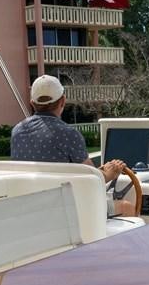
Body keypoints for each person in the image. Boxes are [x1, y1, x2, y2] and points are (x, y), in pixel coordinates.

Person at [11, 75, 135, 214]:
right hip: (65, 210)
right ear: (63, 101)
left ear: (32, 103)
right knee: (127, 207)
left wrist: (102, 171)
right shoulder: (68, 134)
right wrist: (110, 174)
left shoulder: (17, 131)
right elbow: (92, 180)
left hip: (30, 208)